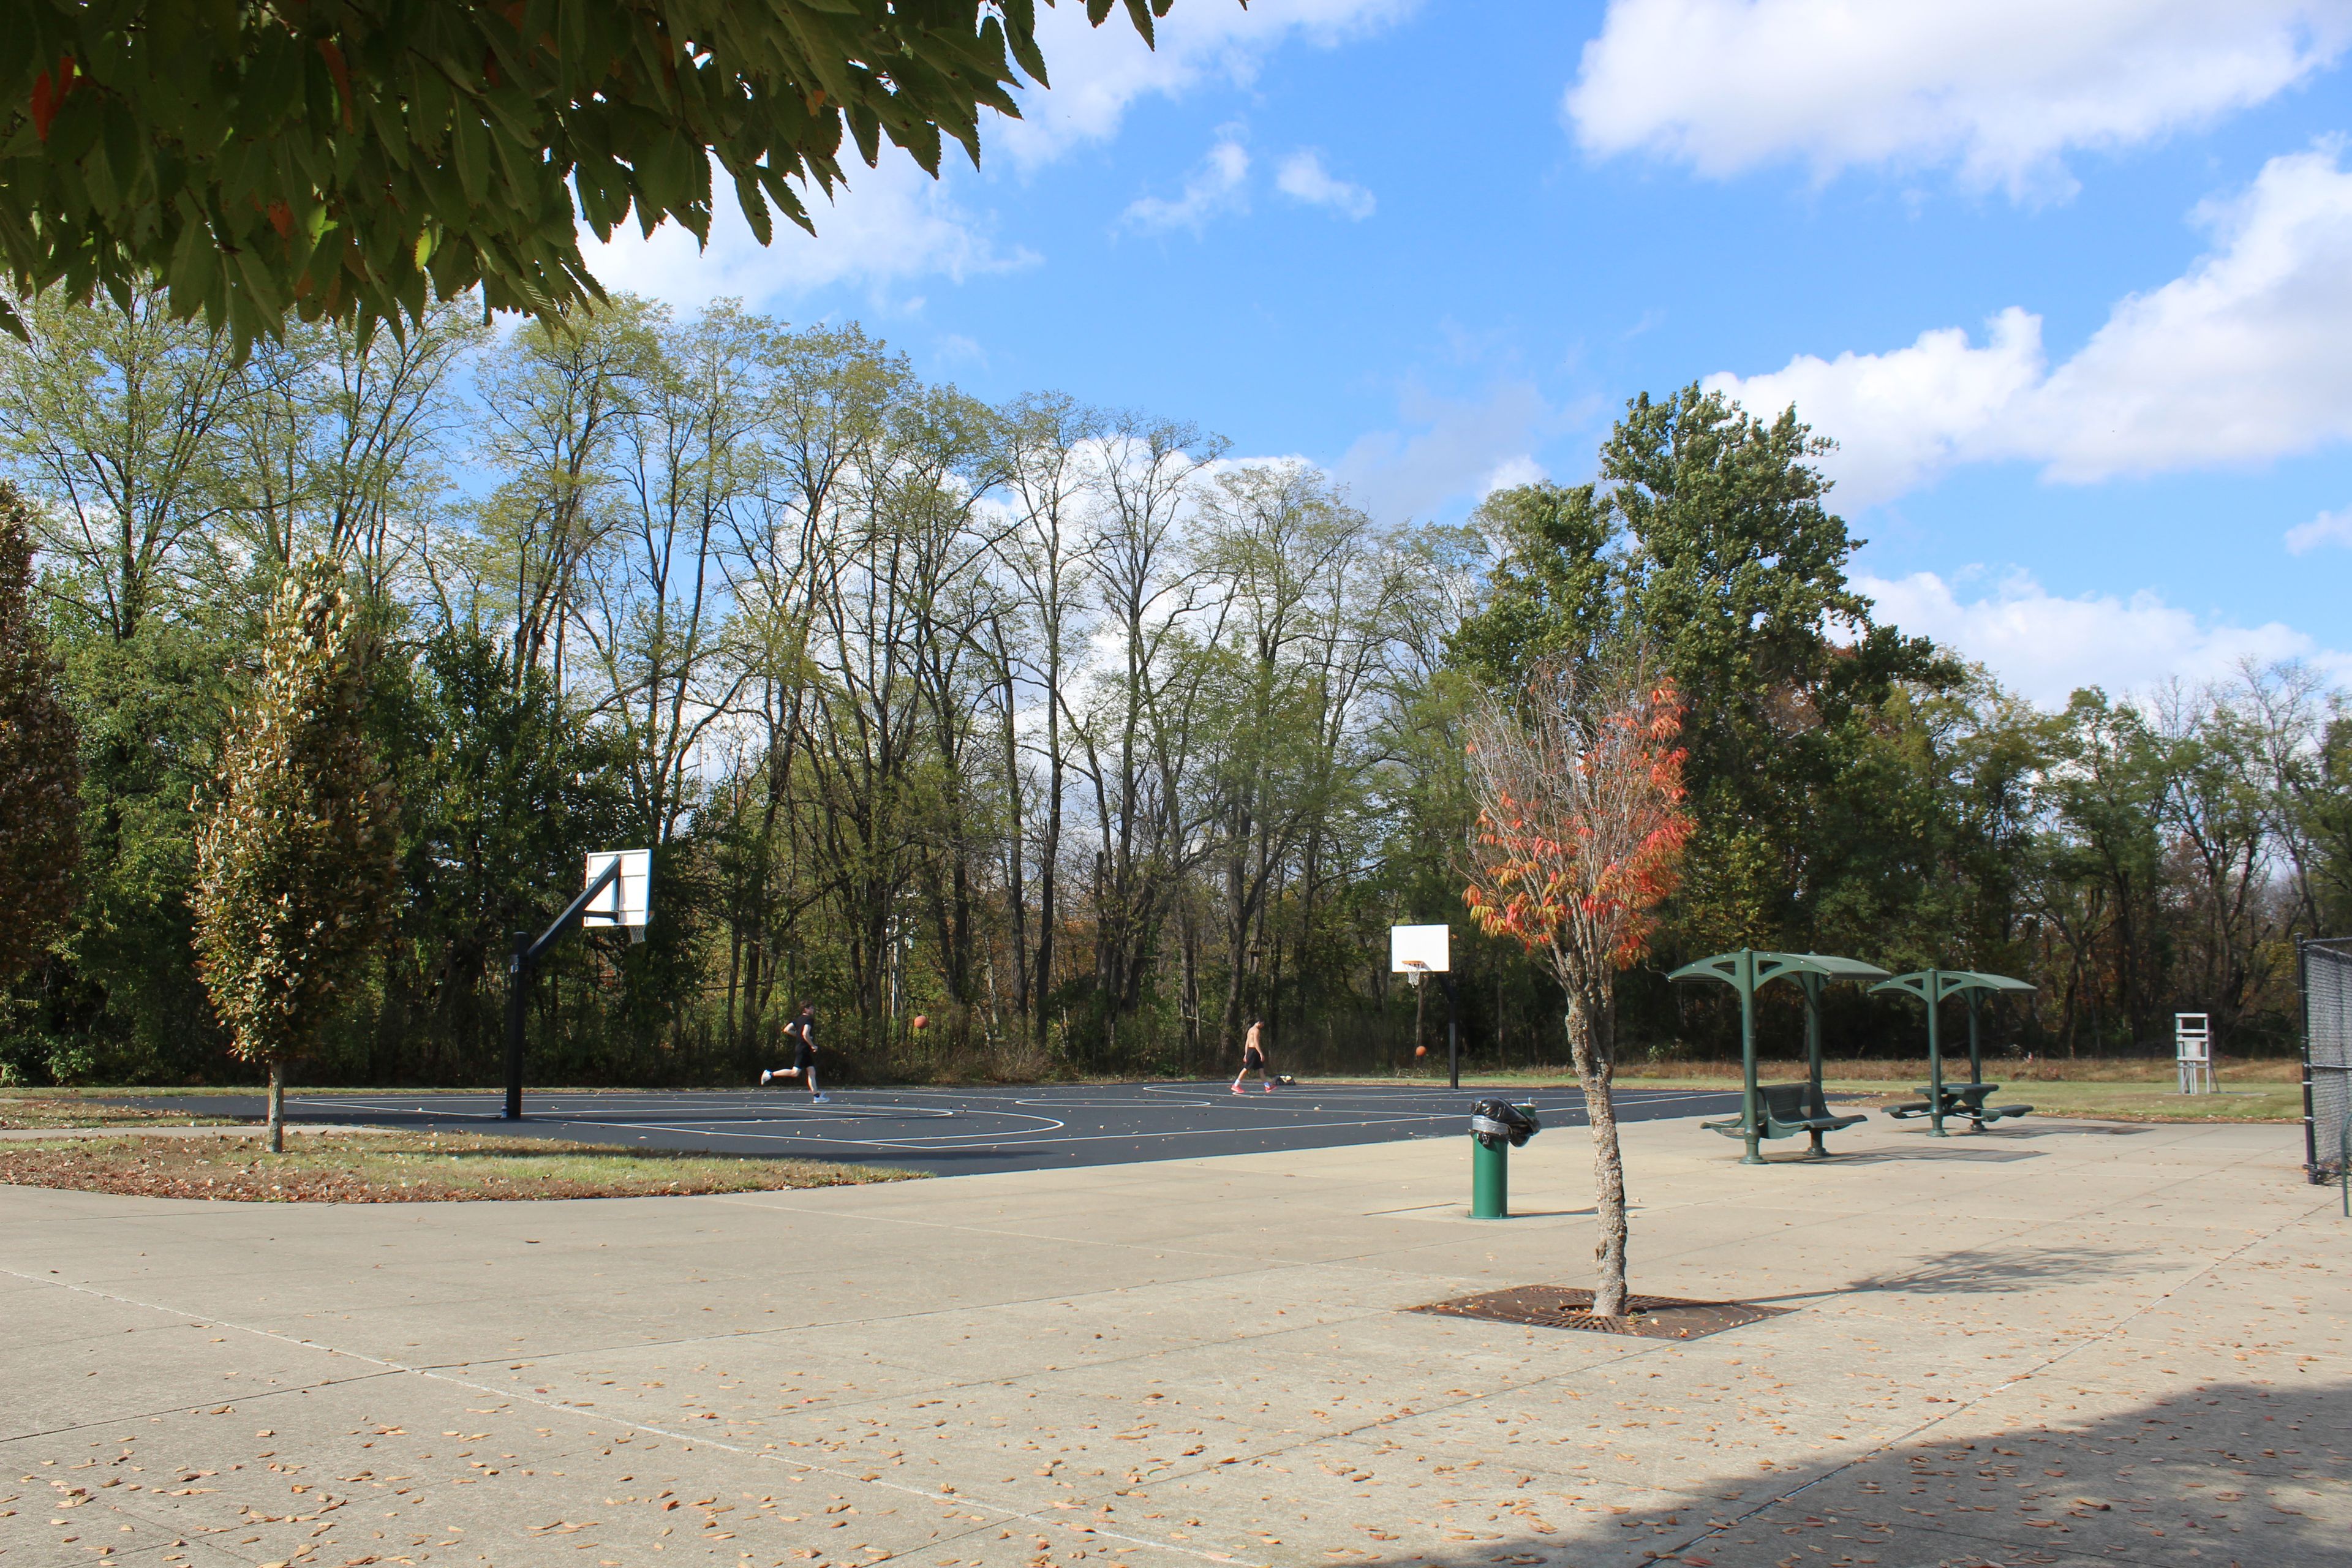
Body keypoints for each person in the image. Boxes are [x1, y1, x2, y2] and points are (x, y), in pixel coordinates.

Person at [760, 1004, 829, 1103]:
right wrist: (812, 1045)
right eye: (812, 1008)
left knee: (811, 1071)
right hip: (803, 1049)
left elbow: (787, 1030)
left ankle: (817, 1096)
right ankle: (770, 1074)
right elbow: (805, 1034)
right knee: (795, 1073)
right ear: (806, 1009)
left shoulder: (798, 1019)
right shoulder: (809, 1019)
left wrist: (798, 1036)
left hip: (803, 1048)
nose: (813, 1010)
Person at [1231, 1019, 1273, 1095]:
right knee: (1246, 1068)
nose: (1263, 1026)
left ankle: (1267, 1086)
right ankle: (1236, 1085)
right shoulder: (1256, 1031)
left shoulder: (1250, 1030)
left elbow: (1247, 1042)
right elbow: (1256, 1043)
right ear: (1259, 1022)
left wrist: (1246, 1053)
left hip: (1252, 1051)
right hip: (1253, 1051)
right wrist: (1261, 1053)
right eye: (1263, 1024)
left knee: (1261, 1069)